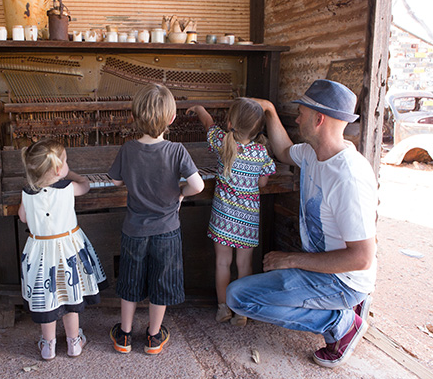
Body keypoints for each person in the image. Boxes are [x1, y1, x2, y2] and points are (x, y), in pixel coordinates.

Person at [225, 79, 378, 368]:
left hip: (342, 279)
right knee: (248, 289)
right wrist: (269, 110)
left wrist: (291, 260)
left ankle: (342, 322)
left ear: (319, 119)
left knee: (239, 298)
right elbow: (283, 152)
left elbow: (361, 258)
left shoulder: (349, 178)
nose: (296, 118)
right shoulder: (312, 153)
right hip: (322, 269)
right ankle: (345, 308)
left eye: (301, 114)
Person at [107, 83, 205, 355]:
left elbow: (115, 180)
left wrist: (129, 180)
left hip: (134, 230)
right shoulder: (177, 150)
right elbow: (198, 186)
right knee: (161, 283)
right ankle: (153, 336)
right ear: (172, 119)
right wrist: (181, 194)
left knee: (130, 280)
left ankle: (124, 335)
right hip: (167, 231)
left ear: (134, 117)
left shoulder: (127, 149)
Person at [187, 99, 276, 326]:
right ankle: (241, 312)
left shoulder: (222, 143)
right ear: (258, 129)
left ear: (229, 123)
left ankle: (223, 308)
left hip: (223, 218)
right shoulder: (260, 152)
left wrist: (199, 108)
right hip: (247, 220)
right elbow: (263, 183)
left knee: (222, 263)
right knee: (245, 265)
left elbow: (208, 123)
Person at [18, 138, 108, 361]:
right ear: (59, 169)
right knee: (70, 298)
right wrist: (73, 175)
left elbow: (22, 217)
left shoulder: (27, 192)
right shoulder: (68, 187)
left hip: (40, 255)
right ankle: (74, 342)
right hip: (68, 252)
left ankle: (48, 346)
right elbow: (85, 186)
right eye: (66, 161)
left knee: (47, 299)